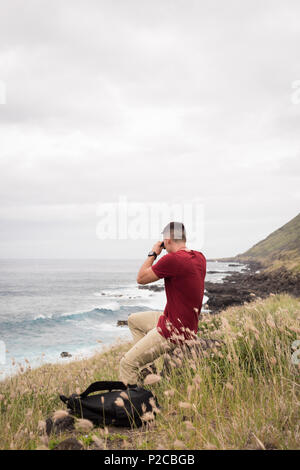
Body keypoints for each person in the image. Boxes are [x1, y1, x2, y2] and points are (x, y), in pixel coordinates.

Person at [119, 221, 206, 386]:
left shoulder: (172, 260)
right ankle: (147, 374)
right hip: (185, 323)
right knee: (133, 320)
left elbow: (141, 278)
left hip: (173, 330)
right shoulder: (199, 257)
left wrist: (153, 253)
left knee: (126, 364)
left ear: (167, 240)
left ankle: (132, 407)